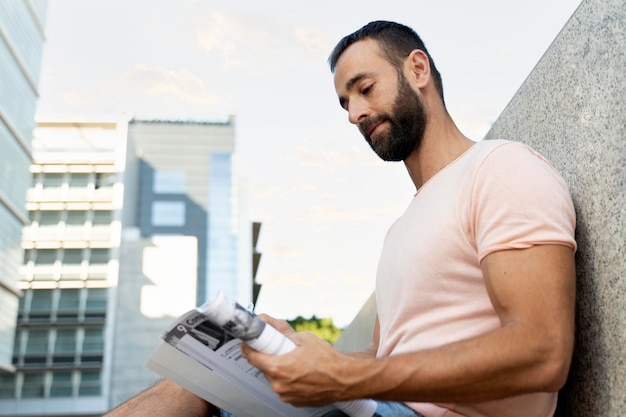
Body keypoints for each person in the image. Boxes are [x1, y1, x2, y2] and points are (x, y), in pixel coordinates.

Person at [105, 20, 576, 417]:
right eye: (345, 103)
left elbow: (542, 352)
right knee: (203, 381)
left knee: (199, 398)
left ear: (417, 68)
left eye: (364, 89)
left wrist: (343, 376)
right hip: (384, 407)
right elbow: (382, 355)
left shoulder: (501, 169)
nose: (354, 114)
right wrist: (296, 352)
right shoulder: (403, 227)